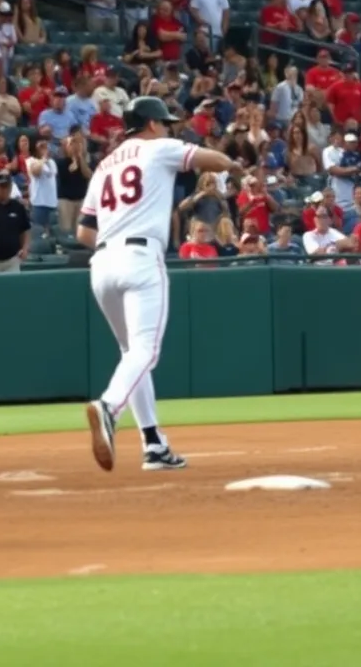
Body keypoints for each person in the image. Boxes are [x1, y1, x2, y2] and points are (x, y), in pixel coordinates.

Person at [78, 96, 241, 472]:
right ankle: (108, 407)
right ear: (151, 124)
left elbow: (83, 231)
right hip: (140, 257)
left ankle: (154, 444)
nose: (168, 127)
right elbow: (214, 161)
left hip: (102, 262)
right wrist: (233, 163)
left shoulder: (104, 165)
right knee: (146, 353)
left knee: (132, 355)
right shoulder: (157, 147)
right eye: (164, 122)